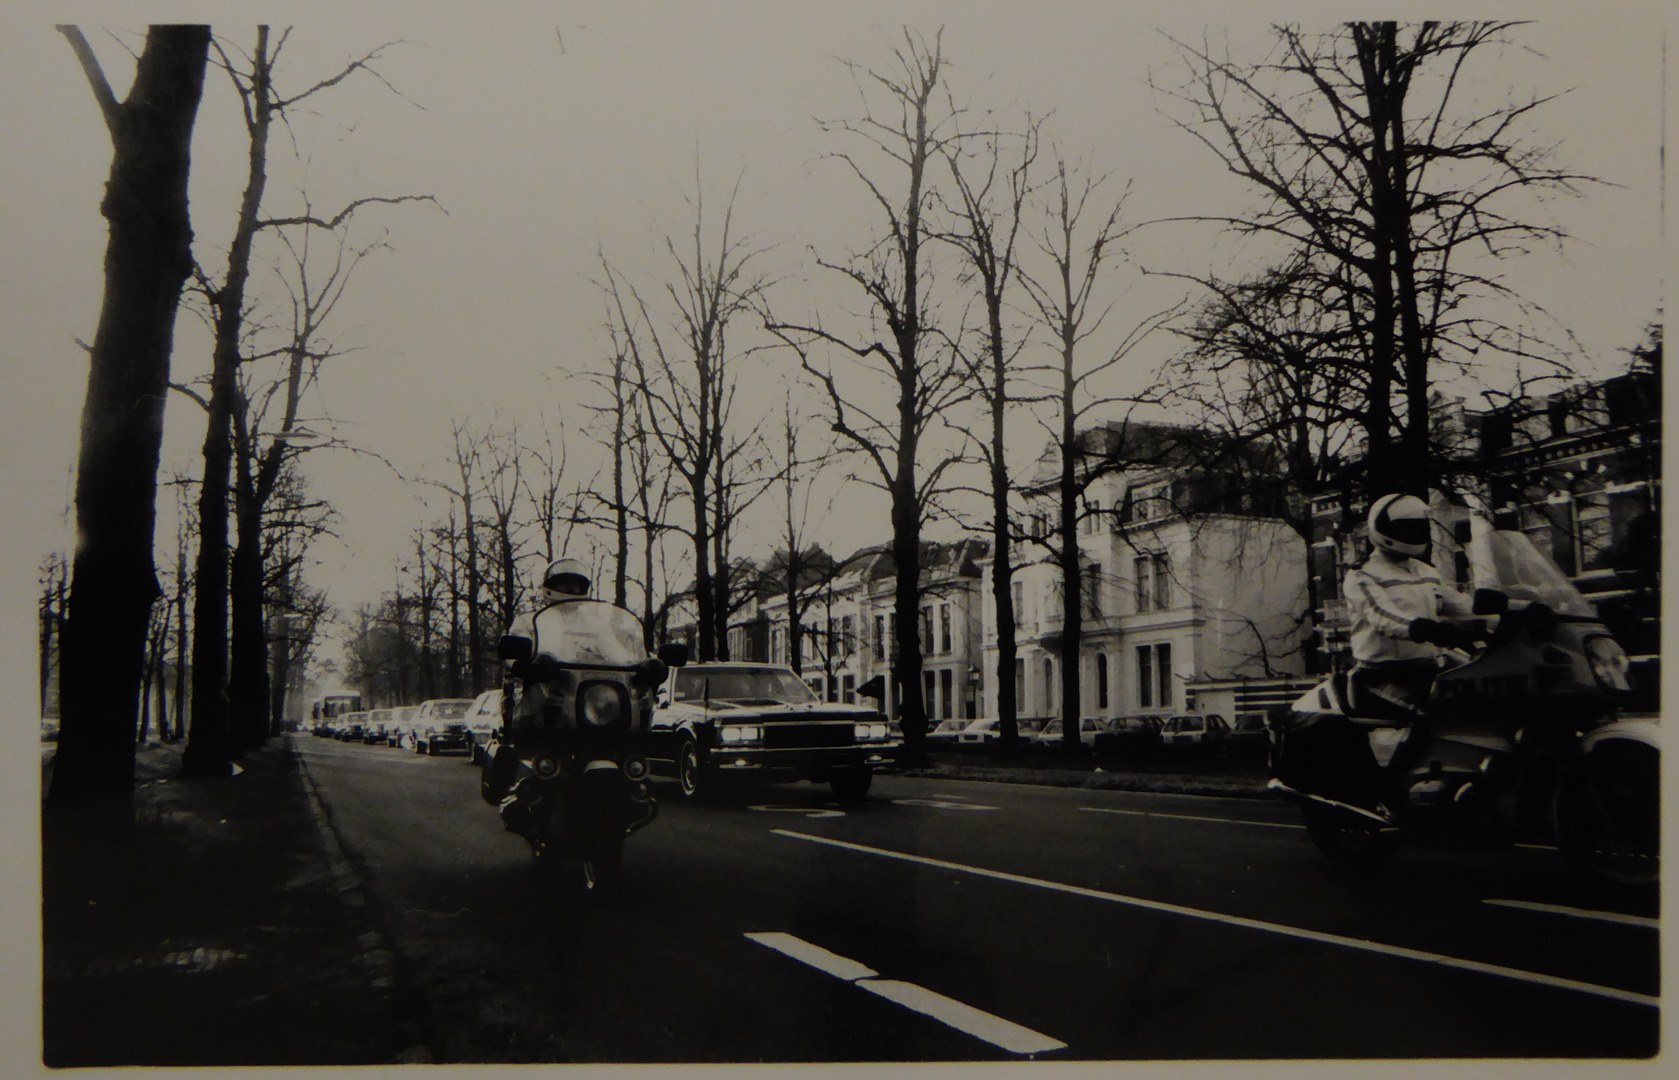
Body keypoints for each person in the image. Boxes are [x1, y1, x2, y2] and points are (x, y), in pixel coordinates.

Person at [1342, 492, 1479, 719]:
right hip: (1382, 675)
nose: (1414, 535)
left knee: (1485, 689)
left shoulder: (1424, 571)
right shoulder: (1363, 574)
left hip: (1430, 667)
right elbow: (1382, 616)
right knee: (1433, 717)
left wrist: (1505, 609)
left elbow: (1460, 603)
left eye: (1418, 529)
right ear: (1383, 529)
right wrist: (1422, 628)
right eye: (1406, 530)